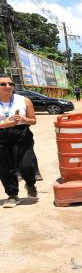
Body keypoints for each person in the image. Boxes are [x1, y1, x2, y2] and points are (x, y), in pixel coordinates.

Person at [0, 74, 37, 208]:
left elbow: (33, 121)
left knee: (26, 164)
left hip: (21, 134)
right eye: (3, 84)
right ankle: (12, 195)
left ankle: (30, 183)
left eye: (11, 84)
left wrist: (25, 120)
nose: (8, 86)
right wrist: (4, 124)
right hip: (1, 136)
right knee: (5, 167)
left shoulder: (24, 100)